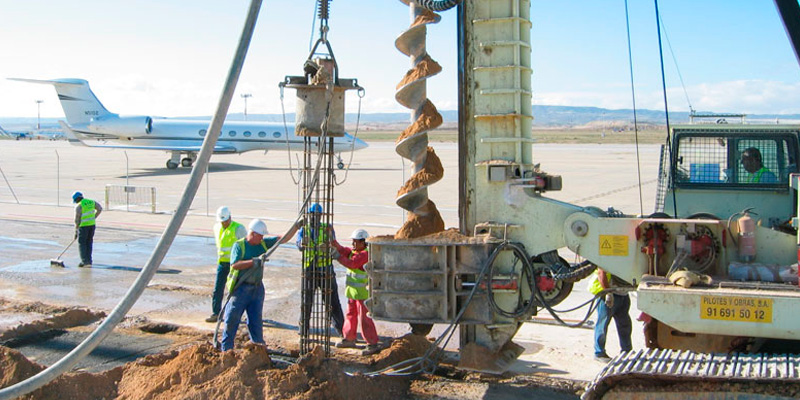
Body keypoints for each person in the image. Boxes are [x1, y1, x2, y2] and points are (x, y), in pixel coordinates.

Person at [220, 219, 297, 351]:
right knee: (232, 319)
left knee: (255, 320)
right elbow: (235, 264)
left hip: (256, 288)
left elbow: (282, 239)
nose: (262, 238)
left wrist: (296, 227)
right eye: (260, 235)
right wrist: (253, 262)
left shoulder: (262, 244)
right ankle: (226, 349)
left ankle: (259, 348)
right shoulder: (240, 246)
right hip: (240, 289)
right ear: (253, 234)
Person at [296, 203, 345, 337]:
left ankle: (341, 329)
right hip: (309, 270)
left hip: (325, 270)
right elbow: (299, 245)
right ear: (309, 215)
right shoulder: (304, 229)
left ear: (321, 216)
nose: (314, 218)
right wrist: (302, 244)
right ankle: (303, 328)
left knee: (332, 302)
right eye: (312, 215)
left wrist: (329, 244)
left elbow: (333, 243)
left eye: (317, 215)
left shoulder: (327, 228)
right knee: (306, 301)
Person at [332, 228, 380, 355]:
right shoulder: (355, 251)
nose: (353, 244)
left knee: (365, 319)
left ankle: (372, 343)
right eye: (352, 242)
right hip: (353, 293)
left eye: (355, 242)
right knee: (350, 316)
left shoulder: (365, 254)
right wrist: (334, 243)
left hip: (363, 294)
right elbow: (345, 251)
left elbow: (352, 263)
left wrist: (337, 257)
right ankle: (349, 338)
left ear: (363, 242)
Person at [206, 206, 247, 323]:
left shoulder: (238, 228)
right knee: (218, 289)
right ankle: (216, 313)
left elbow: (245, 246)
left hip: (235, 265)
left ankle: (236, 314)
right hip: (222, 263)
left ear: (230, 217)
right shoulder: (216, 227)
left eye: (225, 221)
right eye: (222, 221)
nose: (224, 223)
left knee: (237, 290)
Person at [588, 268, 632, 362]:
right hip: (608, 295)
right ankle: (599, 353)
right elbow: (601, 272)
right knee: (602, 324)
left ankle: (627, 351)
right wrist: (607, 292)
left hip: (622, 293)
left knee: (625, 324)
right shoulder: (607, 255)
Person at [72, 191, 102, 268]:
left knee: (82, 243)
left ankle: (84, 261)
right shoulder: (91, 202)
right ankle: (89, 260)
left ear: (77, 199)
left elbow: (77, 220)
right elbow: (100, 209)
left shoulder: (79, 206)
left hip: (83, 226)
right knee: (89, 242)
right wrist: (94, 217)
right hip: (92, 225)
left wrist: (76, 231)